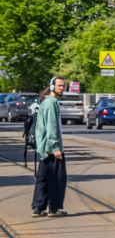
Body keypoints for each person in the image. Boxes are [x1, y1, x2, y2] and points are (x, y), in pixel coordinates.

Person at [32, 76, 68, 217]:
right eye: (59, 85)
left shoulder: (47, 102)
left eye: (64, 85)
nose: (62, 88)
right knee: (57, 179)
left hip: (44, 148)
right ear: (52, 86)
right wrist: (55, 148)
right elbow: (51, 127)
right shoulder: (51, 103)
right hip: (51, 148)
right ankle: (53, 209)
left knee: (43, 178)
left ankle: (39, 208)